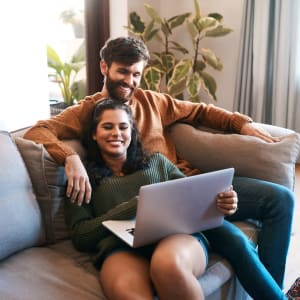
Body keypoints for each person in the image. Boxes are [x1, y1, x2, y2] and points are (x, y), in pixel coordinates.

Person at [24, 36, 294, 292]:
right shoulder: (89, 111)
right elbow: (38, 131)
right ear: (104, 67)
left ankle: (276, 291)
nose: (129, 81)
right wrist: (69, 157)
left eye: (136, 74)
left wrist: (240, 124)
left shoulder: (153, 101)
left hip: (190, 187)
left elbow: (199, 111)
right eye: (123, 71)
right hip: (155, 211)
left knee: (280, 199)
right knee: (232, 240)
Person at [64, 98, 286, 299]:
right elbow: (81, 235)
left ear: (132, 132)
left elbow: (194, 198)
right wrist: (134, 206)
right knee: (129, 295)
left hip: (175, 237)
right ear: (94, 133)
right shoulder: (83, 178)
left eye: (123, 127)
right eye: (107, 127)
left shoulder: (156, 162)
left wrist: (224, 204)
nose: (116, 133)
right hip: (120, 248)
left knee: (169, 266)